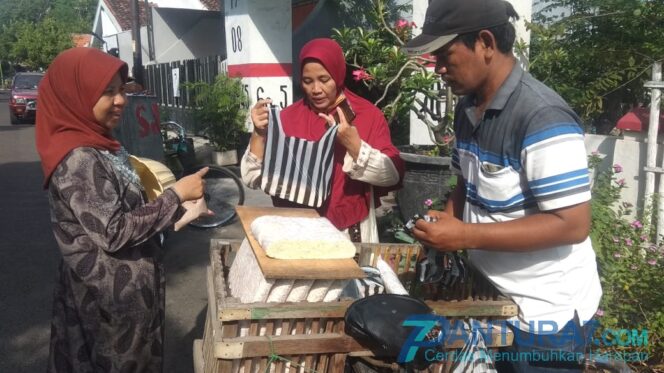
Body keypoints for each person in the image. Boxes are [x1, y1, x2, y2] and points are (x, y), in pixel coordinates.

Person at [404, 0, 602, 371]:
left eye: (446, 55)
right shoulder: (467, 109)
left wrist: (463, 236)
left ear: (486, 43)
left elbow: (572, 224)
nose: (439, 69)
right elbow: (465, 182)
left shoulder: (541, 116)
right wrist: (442, 231)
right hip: (493, 297)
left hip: (545, 315)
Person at [35, 47, 210, 372]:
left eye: (121, 90)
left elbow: (127, 212)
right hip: (107, 309)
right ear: (77, 95)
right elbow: (114, 232)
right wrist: (175, 194)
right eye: (107, 92)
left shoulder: (101, 145)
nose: (121, 100)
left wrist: (181, 212)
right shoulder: (79, 159)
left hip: (125, 304)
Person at [241, 38, 405, 242]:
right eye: (307, 81)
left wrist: (354, 146)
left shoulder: (368, 116)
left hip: (350, 234)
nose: (316, 89)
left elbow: (392, 175)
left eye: (324, 79)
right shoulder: (287, 119)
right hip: (296, 235)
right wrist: (259, 133)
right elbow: (252, 178)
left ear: (338, 74)